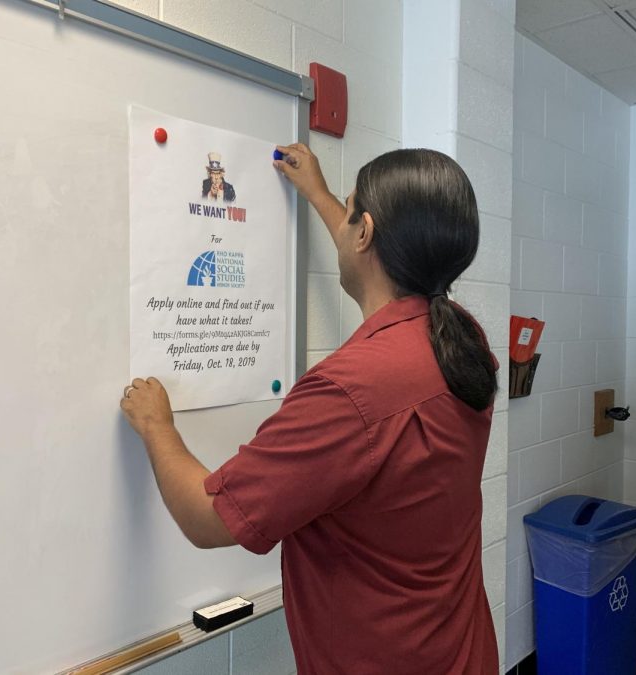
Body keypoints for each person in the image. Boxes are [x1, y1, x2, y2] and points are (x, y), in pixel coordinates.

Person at [121, 144, 499, 674]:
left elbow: (209, 522)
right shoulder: (463, 341)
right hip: (462, 655)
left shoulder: (351, 391)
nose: (341, 222)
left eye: (348, 213)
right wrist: (320, 195)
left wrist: (157, 427)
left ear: (363, 232)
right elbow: (386, 284)